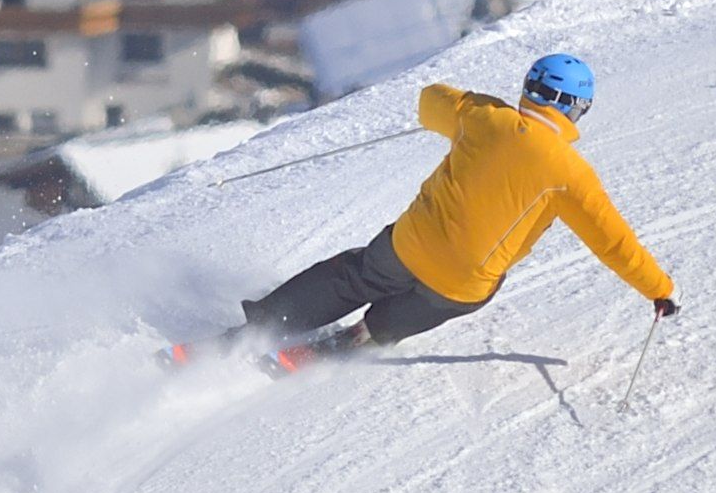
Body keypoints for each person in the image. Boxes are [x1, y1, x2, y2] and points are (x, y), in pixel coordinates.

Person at [239, 52, 674, 356]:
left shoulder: (485, 117)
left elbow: (429, 100)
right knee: (455, 294)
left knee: (357, 274)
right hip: (461, 282)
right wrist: (659, 290)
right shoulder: (572, 175)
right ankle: (364, 335)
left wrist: (471, 111)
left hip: (409, 245)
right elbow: (614, 244)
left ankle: (263, 325)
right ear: (577, 109)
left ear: (530, 88)